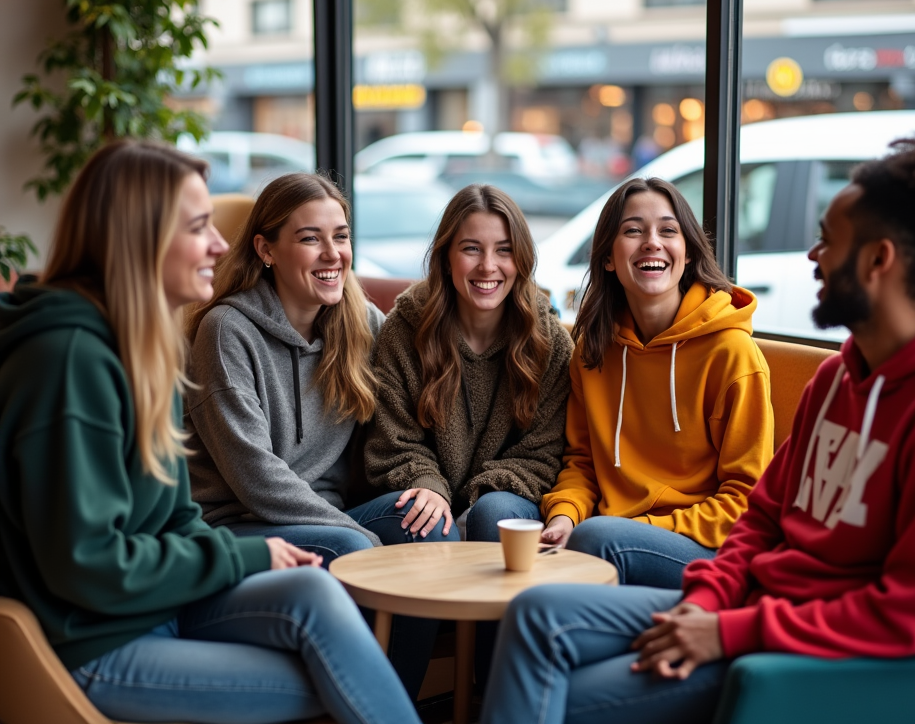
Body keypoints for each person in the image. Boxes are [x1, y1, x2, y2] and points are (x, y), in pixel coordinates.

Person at [479, 122, 915, 724]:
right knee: (536, 617)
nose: (812, 257)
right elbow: (763, 518)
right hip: (748, 604)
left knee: (565, 697)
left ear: (878, 260)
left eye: (827, 242)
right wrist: (708, 601)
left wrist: (729, 631)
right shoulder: (839, 379)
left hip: (797, 652)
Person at [0, 140, 421, 724]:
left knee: (319, 602)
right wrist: (243, 552)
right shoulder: (71, 360)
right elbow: (86, 567)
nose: (221, 244)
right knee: (343, 669)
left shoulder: (138, 347)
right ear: (140, 237)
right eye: (200, 227)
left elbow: (174, 516)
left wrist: (249, 556)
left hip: (160, 600)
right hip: (95, 641)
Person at [184, 172, 444, 696]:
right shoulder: (226, 331)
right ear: (266, 249)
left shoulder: (360, 323)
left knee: (427, 529)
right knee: (349, 544)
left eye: (341, 236)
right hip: (239, 525)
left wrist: (432, 487)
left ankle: (396, 698)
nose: (333, 254)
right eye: (310, 238)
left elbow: (417, 402)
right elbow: (256, 478)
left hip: (330, 519)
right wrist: (367, 546)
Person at [539, 177, 774, 588]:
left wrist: (638, 527)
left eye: (668, 230)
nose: (652, 242)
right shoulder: (593, 351)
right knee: (499, 517)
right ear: (609, 257)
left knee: (597, 536)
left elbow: (746, 499)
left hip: (705, 546)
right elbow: (582, 464)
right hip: (611, 532)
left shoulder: (732, 353)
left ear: (687, 254)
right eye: (633, 230)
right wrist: (564, 516)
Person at [363, 183, 573, 544]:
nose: (488, 266)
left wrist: (473, 505)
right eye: (471, 249)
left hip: (508, 498)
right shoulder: (405, 330)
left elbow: (544, 451)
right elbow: (392, 440)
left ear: (520, 259)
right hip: (424, 490)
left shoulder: (547, 339)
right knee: (426, 521)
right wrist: (427, 485)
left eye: (503, 251)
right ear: (446, 257)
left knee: (493, 513)